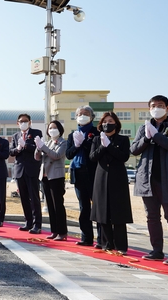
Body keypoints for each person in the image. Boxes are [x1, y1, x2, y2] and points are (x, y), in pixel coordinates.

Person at [130, 95, 168, 266]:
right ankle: (156, 251)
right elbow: (133, 150)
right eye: (153, 105)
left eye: (160, 105)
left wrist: (157, 136)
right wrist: (147, 137)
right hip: (147, 179)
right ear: (149, 109)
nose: (157, 108)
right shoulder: (143, 128)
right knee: (152, 216)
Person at [89, 112, 132, 255]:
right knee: (103, 212)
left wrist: (110, 146)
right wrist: (103, 146)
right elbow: (92, 157)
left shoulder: (123, 139)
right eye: (105, 121)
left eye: (111, 121)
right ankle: (106, 243)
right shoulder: (96, 139)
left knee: (118, 212)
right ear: (101, 124)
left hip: (117, 178)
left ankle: (121, 245)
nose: (108, 123)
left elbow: (124, 156)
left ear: (116, 123)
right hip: (101, 177)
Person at [66, 105, 101, 247]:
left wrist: (84, 143)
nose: (83, 116)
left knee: (97, 206)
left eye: (86, 113)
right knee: (84, 207)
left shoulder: (96, 132)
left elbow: (96, 153)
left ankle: (101, 238)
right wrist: (77, 145)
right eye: (80, 114)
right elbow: (69, 154)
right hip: (78, 173)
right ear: (76, 117)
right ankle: (86, 237)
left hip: (93, 173)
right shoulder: (72, 135)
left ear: (92, 117)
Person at [34, 120, 68, 241]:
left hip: (56, 176)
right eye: (50, 128)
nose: (51, 130)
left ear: (59, 129)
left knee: (58, 204)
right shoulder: (47, 142)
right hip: (45, 176)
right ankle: (54, 230)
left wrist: (43, 147)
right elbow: (37, 158)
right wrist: (38, 148)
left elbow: (56, 155)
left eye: (54, 128)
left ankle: (62, 232)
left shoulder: (63, 142)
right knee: (50, 205)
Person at [9, 113, 43, 234]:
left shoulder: (36, 132)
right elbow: (11, 152)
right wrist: (17, 149)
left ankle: (37, 224)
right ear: (17, 123)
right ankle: (28, 222)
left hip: (32, 169)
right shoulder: (15, 135)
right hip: (19, 170)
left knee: (34, 198)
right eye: (21, 121)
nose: (23, 123)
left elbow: (37, 148)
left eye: (25, 121)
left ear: (29, 122)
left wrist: (26, 145)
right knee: (23, 197)